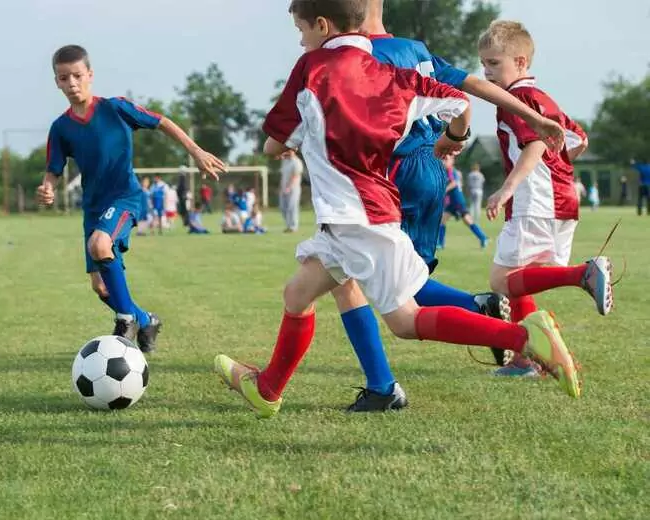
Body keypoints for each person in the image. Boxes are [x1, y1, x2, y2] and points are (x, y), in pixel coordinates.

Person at [213, 0, 581, 419]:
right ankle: (268, 390)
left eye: (301, 31)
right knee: (297, 294)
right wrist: (453, 139)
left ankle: (523, 338)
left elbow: (273, 144)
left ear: (321, 25)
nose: (300, 41)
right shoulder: (397, 77)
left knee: (406, 321)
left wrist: (293, 141)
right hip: (363, 214)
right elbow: (461, 101)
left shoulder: (312, 67)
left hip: (357, 218)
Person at [317, 0, 569, 412]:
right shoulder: (415, 49)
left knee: (387, 291)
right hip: (428, 170)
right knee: (366, 278)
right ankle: (472, 319)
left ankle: (396, 378)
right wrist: (476, 131)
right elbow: (469, 90)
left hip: (391, 173)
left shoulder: (358, 55)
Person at [37, 45, 225, 352]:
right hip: (94, 208)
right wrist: (47, 186)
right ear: (56, 81)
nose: (71, 83)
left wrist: (196, 151)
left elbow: (161, 121)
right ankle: (145, 319)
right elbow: (53, 169)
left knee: (99, 244)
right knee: (100, 286)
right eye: (63, 78)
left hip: (126, 197)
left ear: (90, 75)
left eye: (77, 76)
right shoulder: (61, 128)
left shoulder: (115, 108)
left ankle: (126, 320)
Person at [478, 21, 613, 377]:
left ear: (520, 63)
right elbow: (578, 139)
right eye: (484, 64)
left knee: (502, 281)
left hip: (535, 199)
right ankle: (528, 359)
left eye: (494, 63)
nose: (486, 72)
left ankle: (583, 274)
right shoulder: (544, 97)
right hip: (561, 199)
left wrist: (507, 187)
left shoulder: (516, 100)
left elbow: (537, 142)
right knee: (520, 276)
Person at [438, 154, 489, 249]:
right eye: (443, 159)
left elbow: (454, 183)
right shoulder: (446, 171)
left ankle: (483, 237)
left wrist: (443, 191)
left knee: (467, 220)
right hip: (452, 202)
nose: (443, 161)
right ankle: (441, 244)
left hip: (457, 200)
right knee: (442, 220)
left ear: (452, 161)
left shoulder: (451, 170)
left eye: (446, 159)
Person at [279, 150, 304, 233]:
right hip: (283, 188)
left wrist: (289, 187)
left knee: (291, 207)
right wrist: (281, 187)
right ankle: (288, 225)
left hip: (294, 188)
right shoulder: (285, 161)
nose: (287, 152)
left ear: (293, 151)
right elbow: (282, 176)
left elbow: (295, 175)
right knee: (282, 208)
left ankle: (293, 227)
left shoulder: (297, 162)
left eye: (289, 151)